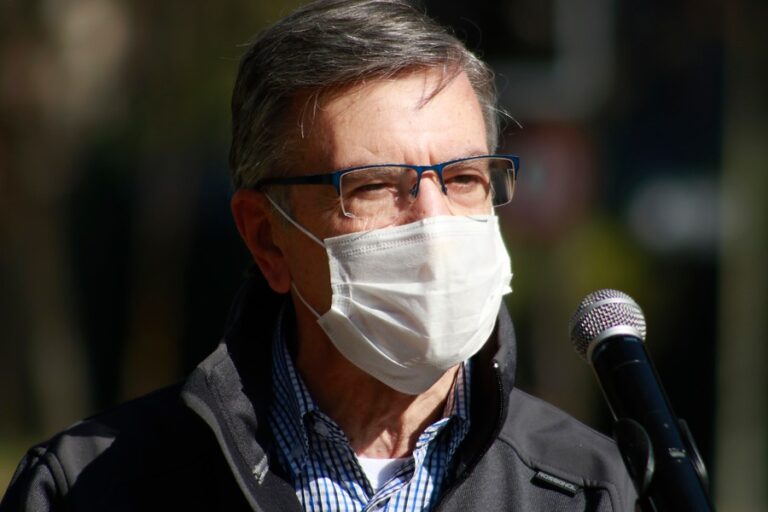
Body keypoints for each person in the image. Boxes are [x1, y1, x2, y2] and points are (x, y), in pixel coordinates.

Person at [1, 0, 636, 510]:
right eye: (374, 186)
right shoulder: (93, 489)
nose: (434, 222)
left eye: (465, 178)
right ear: (266, 236)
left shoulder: (591, 488)